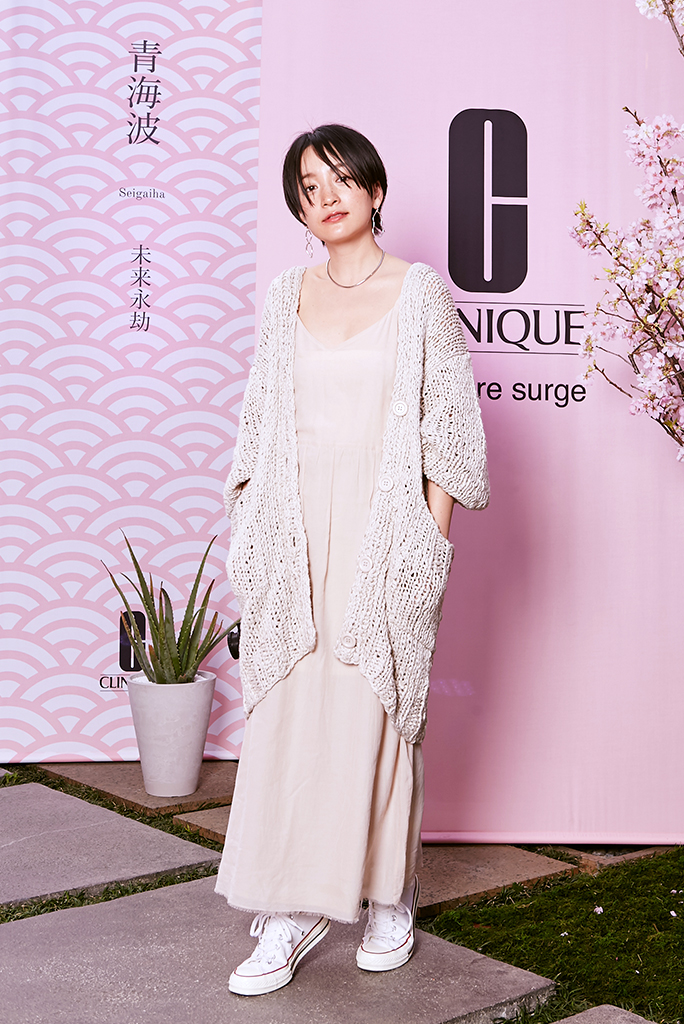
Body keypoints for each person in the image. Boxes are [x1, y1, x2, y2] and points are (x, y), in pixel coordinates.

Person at [215, 124, 489, 996]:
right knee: (292, 714)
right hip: (293, 537)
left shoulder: (419, 292)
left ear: (373, 188)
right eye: (308, 185)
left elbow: (449, 428)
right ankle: (288, 906)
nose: (326, 196)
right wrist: (254, 524)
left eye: (340, 178)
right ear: (297, 207)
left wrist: (428, 543)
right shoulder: (283, 294)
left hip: (386, 534)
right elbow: (260, 422)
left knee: (379, 710)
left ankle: (388, 894)